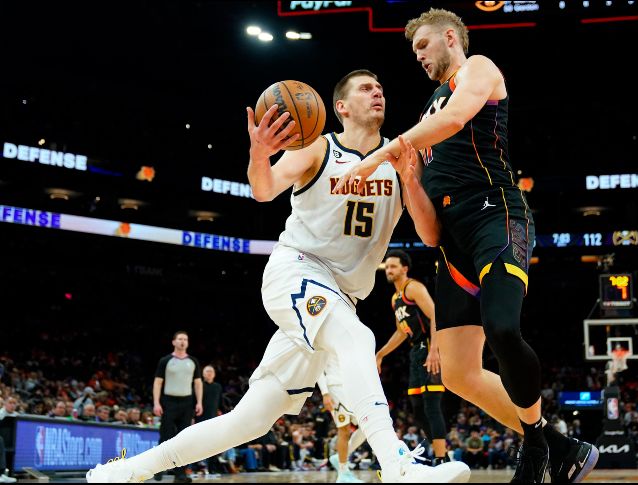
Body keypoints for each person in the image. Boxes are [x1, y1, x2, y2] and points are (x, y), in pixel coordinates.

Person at [87, 69, 469, 483]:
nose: (377, 92)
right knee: (357, 338)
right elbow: (264, 189)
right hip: (298, 271)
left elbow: (430, 235)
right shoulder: (317, 149)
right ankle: (398, 465)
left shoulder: (399, 159)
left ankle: (127, 470)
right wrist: (258, 152)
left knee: (250, 420)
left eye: (379, 87)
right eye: (365, 88)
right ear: (340, 107)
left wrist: (411, 178)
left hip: (340, 298)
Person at [333, 8, 598, 483]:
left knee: (501, 328)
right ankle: (560, 448)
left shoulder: (478, 70)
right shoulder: (423, 117)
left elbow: (456, 119)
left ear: (450, 38)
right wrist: (410, 180)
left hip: (496, 217)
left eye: (423, 47)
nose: (417, 57)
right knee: (456, 373)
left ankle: (537, 448)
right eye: (414, 51)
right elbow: (430, 233)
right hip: (452, 243)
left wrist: (380, 154)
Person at [376, 250, 448, 464]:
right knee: (417, 408)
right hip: (416, 349)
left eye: (393, 266)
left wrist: (435, 349)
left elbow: (436, 315)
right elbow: (401, 332)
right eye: (387, 267)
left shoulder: (413, 287)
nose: (389, 270)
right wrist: (380, 354)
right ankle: (440, 452)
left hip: (429, 345)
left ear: (404, 268)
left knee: (431, 404)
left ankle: (441, 458)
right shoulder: (395, 298)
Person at [153, 331, 203, 483]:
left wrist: (199, 402)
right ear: (173, 342)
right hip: (168, 402)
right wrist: (156, 402)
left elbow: (198, 383)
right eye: (180, 339)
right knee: (165, 436)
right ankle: (158, 467)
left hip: (187, 403)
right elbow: (158, 382)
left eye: (185, 339)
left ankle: (180, 474)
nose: (183, 341)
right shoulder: (165, 360)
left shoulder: (193, 361)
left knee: (183, 439)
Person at [318, 364, 366, 483]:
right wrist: (325, 393)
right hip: (335, 387)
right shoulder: (324, 345)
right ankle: (343, 473)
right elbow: (317, 367)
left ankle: (340, 457)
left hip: (352, 388)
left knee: (367, 426)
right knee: (344, 429)